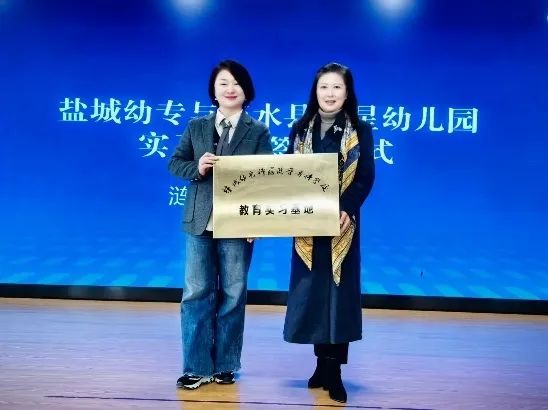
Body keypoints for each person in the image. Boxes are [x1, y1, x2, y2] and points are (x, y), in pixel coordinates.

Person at [169, 60, 272, 390]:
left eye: (237, 83)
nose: (230, 89)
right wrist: (197, 168)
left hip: (239, 223)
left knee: (233, 294)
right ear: (213, 91)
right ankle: (196, 366)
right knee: (196, 293)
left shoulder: (258, 131)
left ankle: (226, 364)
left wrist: (257, 222)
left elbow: (266, 181)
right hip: (199, 222)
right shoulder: (196, 126)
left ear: (246, 91)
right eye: (223, 83)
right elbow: (175, 163)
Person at [283, 62, 375, 403]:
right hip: (307, 225)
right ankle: (321, 365)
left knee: (339, 295)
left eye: (337, 87)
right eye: (324, 87)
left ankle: (334, 370)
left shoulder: (359, 130)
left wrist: (347, 207)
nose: (330, 93)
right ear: (315, 91)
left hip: (341, 224)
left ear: (347, 93)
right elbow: (287, 173)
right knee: (314, 294)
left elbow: (365, 176)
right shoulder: (300, 129)